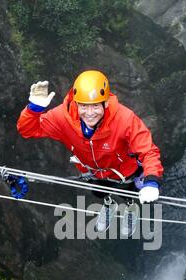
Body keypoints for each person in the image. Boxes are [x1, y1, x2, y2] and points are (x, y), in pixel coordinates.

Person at [17, 70, 163, 237]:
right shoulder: (63, 118)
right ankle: (109, 205)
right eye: (84, 106)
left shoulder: (124, 119)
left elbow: (148, 150)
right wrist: (34, 109)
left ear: (106, 103)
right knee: (100, 192)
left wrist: (151, 181)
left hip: (124, 171)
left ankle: (130, 207)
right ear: (75, 103)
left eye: (95, 105)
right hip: (93, 172)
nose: (89, 113)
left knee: (129, 191)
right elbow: (28, 130)